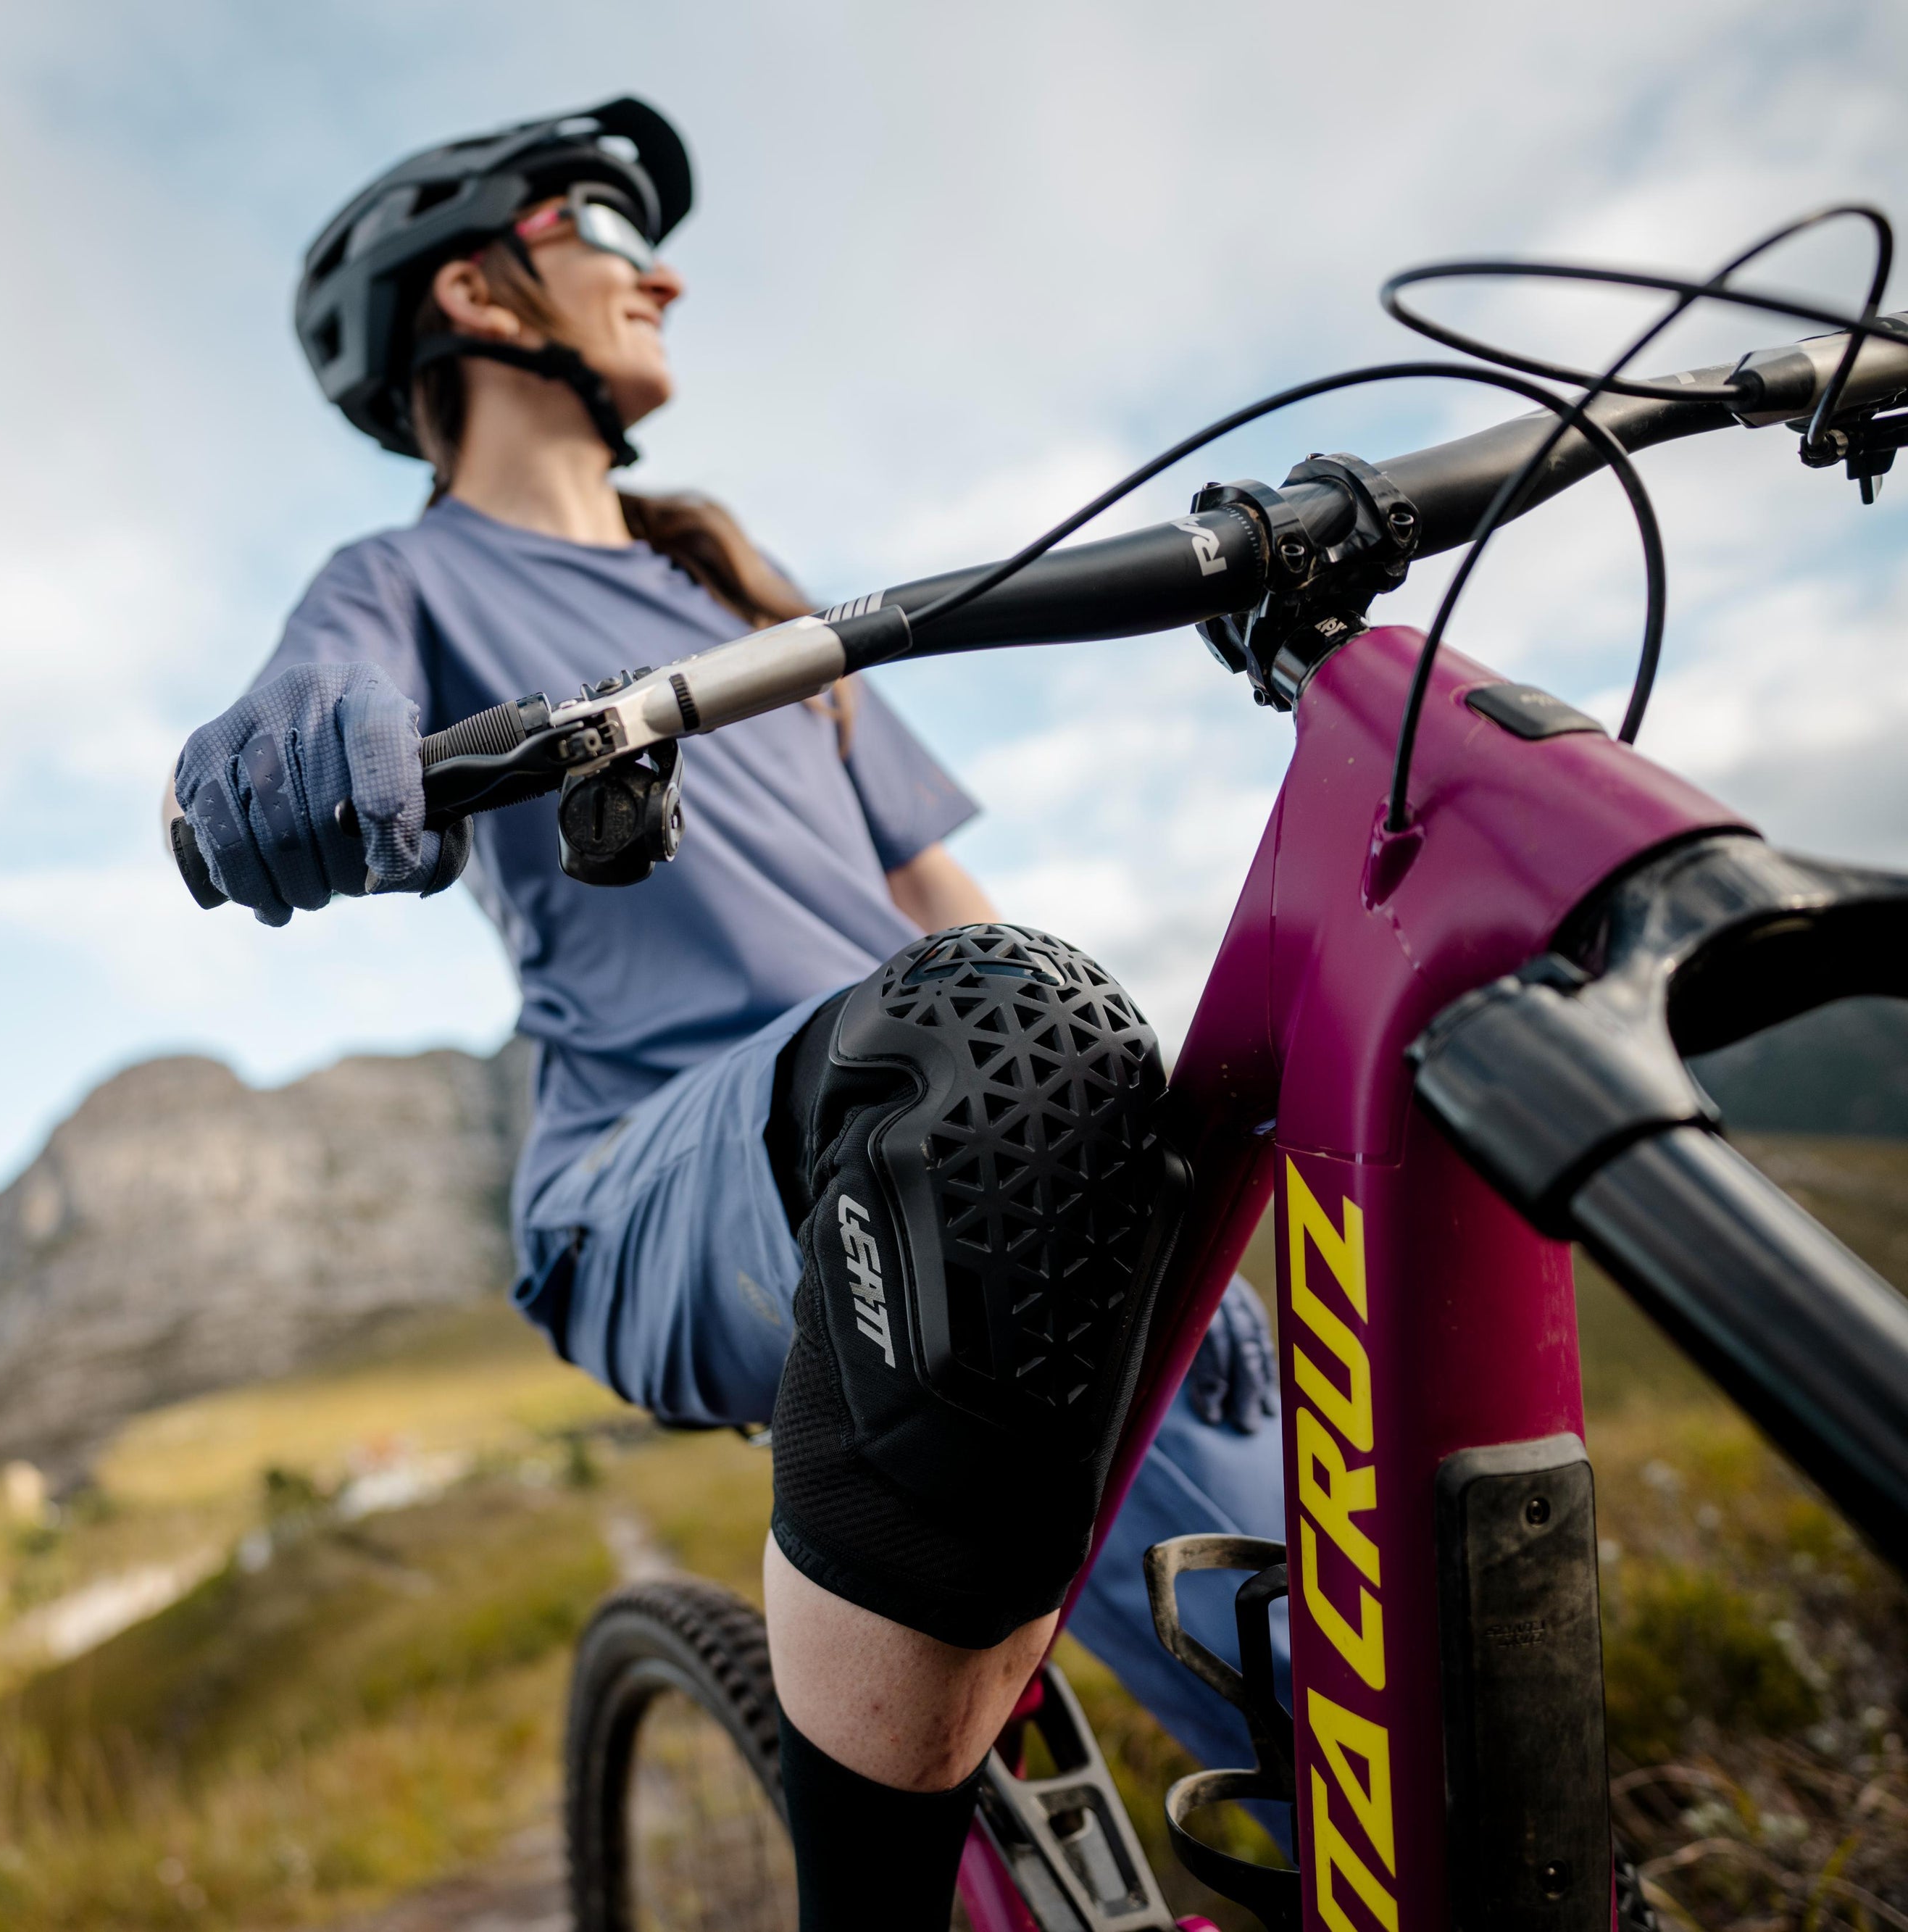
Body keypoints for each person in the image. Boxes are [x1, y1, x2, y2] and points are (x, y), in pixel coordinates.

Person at [169, 98, 1288, 1920]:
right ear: (476, 292)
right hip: (662, 1173)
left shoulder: (741, 593)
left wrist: (1151, 1187)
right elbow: (326, 671)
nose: (663, 274)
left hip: (972, 1116)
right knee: (976, 1046)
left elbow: (934, 899)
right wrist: (288, 739)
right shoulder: (401, 581)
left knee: (1359, 1697)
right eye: (608, 231)